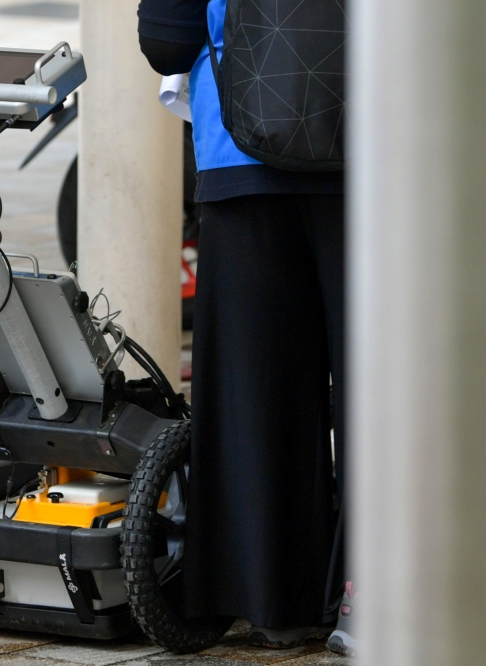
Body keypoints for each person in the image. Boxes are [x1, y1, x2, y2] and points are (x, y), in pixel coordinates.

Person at [136, 0, 351, 652]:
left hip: (243, 153)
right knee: (386, 389)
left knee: (259, 396)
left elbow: (166, 39)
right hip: (387, 153)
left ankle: (272, 601)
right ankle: (378, 592)